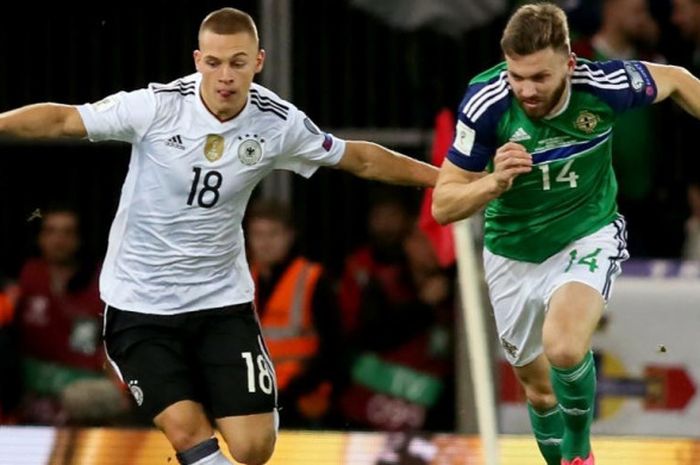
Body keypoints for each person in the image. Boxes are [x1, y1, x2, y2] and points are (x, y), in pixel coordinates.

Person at [0, 8, 438, 465]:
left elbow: (359, 159)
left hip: (220, 304)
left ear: (259, 61)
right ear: (197, 60)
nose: (225, 75)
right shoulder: (157, 107)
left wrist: (443, 178)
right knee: (191, 435)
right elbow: (64, 120)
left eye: (238, 62)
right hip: (140, 306)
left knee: (254, 448)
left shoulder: (277, 122)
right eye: (213, 62)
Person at [431, 3, 700, 465]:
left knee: (563, 346)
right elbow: (442, 204)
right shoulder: (486, 104)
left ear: (570, 64)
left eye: (540, 77)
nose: (527, 90)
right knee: (537, 392)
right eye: (518, 76)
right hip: (512, 252)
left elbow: (675, 78)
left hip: (586, 233)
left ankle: (580, 444)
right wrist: (493, 182)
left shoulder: (601, 86)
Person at [13, 205, 129, 426]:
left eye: (68, 233)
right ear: (39, 238)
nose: (59, 240)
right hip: (31, 382)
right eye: (51, 231)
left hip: (87, 381)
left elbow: (110, 344)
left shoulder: (101, 280)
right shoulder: (26, 276)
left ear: (79, 239)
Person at [572, 0, 664, 257]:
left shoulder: (654, 62)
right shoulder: (578, 61)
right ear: (611, 7)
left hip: (648, 207)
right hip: (590, 208)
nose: (643, 11)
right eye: (636, 7)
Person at [245, 199, 343, 429]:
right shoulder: (243, 280)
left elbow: (334, 350)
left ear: (290, 235)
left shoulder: (312, 279)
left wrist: (293, 391)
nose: (265, 243)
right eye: (257, 234)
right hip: (258, 403)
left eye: (273, 234)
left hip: (304, 406)